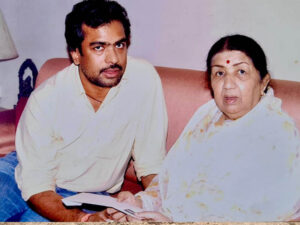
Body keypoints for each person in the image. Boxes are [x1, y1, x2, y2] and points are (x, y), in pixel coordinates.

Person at [0, 0, 167, 222]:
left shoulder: (144, 80)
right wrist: (82, 220)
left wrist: (162, 206)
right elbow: (36, 184)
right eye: (99, 47)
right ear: (76, 54)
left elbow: (151, 162)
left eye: (119, 45)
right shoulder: (46, 99)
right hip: (25, 170)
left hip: (89, 195)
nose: (113, 59)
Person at [108, 34, 300, 222]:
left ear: (263, 82)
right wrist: (139, 203)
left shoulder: (277, 133)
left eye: (241, 72)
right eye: (220, 73)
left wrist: (172, 223)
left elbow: (263, 215)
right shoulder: (209, 115)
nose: (228, 85)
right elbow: (169, 182)